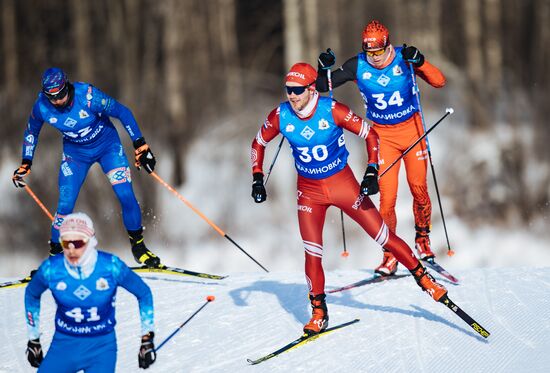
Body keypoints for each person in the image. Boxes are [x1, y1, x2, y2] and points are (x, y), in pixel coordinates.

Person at [250, 62, 447, 335]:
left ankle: (425, 280)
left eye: (297, 90)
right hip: (309, 192)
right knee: (312, 252)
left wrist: (371, 170)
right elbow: (258, 142)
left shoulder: (332, 109)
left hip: (343, 185)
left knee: (383, 236)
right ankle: (319, 312)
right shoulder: (280, 115)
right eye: (288, 90)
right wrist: (257, 177)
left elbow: (370, 134)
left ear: (310, 88)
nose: (292, 96)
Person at [316, 20, 446, 276]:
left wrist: (419, 61)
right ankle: (390, 255)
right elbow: (322, 87)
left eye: (378, 52)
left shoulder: (403, 58)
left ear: (388, 45)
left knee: (419, 189)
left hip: (412, 132)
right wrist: (323, 69)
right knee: (387, 201)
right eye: (369, 53)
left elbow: (439, 81)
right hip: (383, 137)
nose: (374, 58)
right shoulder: (358, 65)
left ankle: (422, 239)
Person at [12, 67, 160, 268]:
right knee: (64, 206)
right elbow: (31, 132)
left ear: (68, 86)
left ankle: (139, 247)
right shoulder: (42, 107)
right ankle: (54, 260)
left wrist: (140, 144)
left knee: (125, 195)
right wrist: (26, 162)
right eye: (51, 97)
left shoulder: (89, 96)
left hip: (108, 147)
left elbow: (122, 112)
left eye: (61, 94)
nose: (57, 100)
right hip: (76, 156)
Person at [24, 212, 157, 371]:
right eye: (66, 243)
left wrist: (147, 339)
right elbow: (32, 294)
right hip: (64, 346)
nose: (72, 250)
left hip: (101, 348)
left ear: (90, 241)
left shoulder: (110, 266)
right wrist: (34, 339)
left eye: (78, 243)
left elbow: (143, 293)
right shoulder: (51, 269)